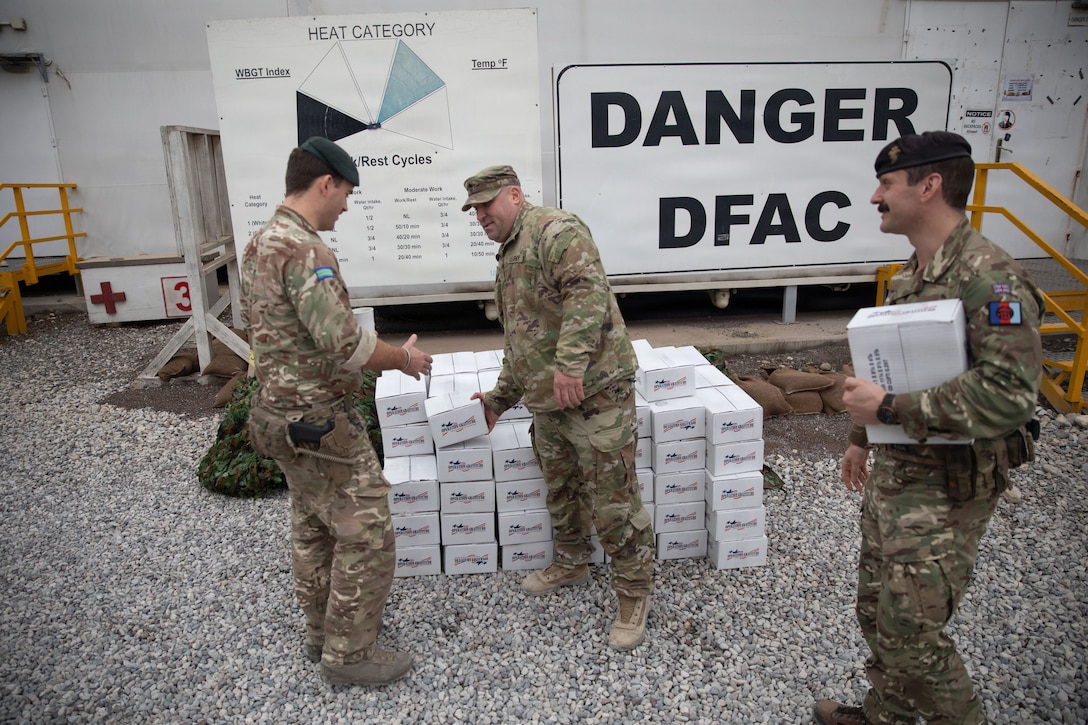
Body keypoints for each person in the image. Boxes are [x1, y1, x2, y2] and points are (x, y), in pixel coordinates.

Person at [815, 131, 1044, 725]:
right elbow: (889, 366)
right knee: (877, 613)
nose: (874, 197)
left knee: (913, 634)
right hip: (898, 474)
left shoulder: (990, 279)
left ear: (929, 185)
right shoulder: (910, 278)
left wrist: (889, 408)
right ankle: (886, 715)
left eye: (886, 185)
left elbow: (1009, 395)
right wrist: (860, 438)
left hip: (949, 486)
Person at [240, 136, 433, 686]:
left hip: (277, 417)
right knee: (366, 532)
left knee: (313, 523)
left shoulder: (259, 242)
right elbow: (342, 343)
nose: (347, 205)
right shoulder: (304, 249)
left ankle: (321, 631)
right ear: (325, 183)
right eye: (346, 193)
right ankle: (349, 657)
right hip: (320, 421)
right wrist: (404, 358)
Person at [462, 165, 656, 650]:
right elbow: (522, 344)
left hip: (594, 392)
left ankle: (634, 591)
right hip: (550, 400)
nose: (482, 215)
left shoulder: (556, 231)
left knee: (613, 496)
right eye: (475, 209)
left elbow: (587, 296)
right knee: (562, 486)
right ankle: (571, 561)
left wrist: (570, 365)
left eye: (488, 204)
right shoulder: (508, 254)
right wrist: (498, 401)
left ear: (514, 194)